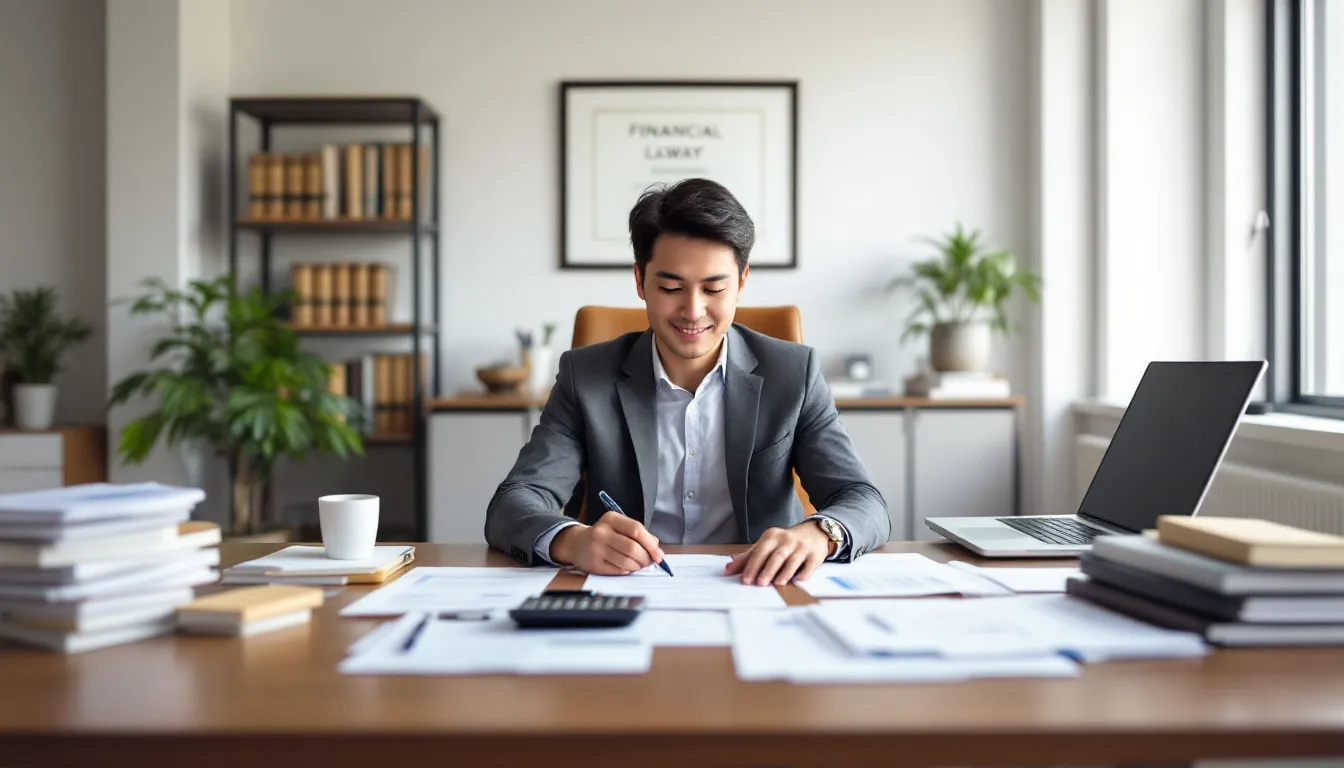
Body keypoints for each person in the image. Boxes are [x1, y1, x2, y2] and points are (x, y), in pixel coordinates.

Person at [484, 178, 889, 585]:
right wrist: (572, 541)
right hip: (628, 590)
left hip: (759, 589)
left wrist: (820, 534)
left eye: (714, 288)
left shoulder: (792, 372)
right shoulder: (586, 376)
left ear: (742, 282)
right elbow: (513, 502)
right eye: (671, 287)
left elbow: (862, 500)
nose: (693, 311)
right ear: (640, 281)